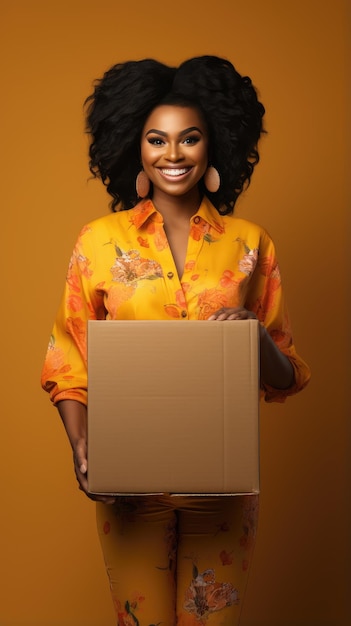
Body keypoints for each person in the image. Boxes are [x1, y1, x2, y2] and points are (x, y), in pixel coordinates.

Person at [41, 55, 310, 626]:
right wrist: (81, 446)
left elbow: (287, 372)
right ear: (135, 148)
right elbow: (68, 356)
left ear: (213, 146)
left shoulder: (249, 245)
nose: (173, 154)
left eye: (189, 138)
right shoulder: (98, 242)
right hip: (130, 486)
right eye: (156, 140)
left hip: (223, 488)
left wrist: (253, 335)